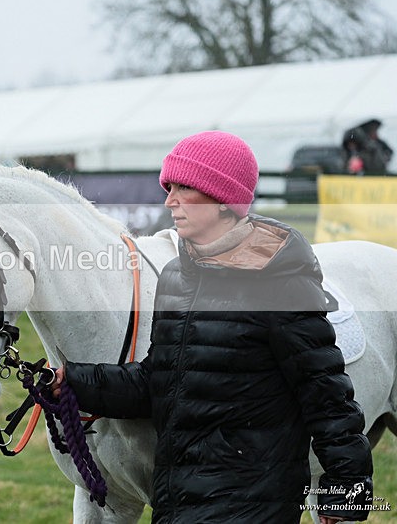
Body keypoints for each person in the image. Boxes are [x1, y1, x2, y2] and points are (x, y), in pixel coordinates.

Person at [51, 131, 373, 523]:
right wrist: (72, 381)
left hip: (253, 508)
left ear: (223, 200)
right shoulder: (176, 277)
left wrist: (346, 494)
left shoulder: (280, 278)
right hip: (178, 507)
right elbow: (158, 383)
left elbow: (327, 397)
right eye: (169, 187)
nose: (169, 200)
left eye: (184, 188)